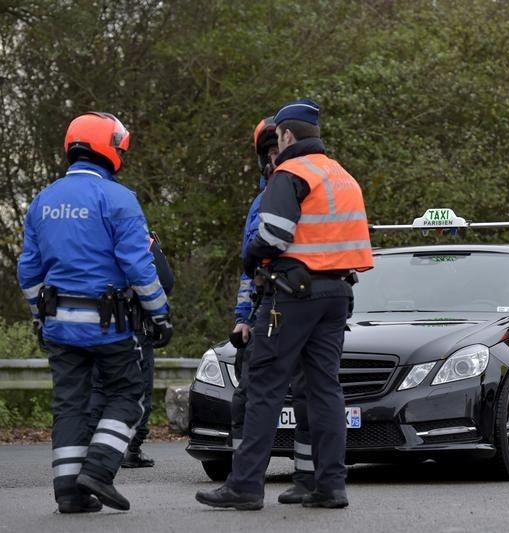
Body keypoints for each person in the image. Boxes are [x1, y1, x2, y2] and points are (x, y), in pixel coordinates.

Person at [196, 98, 373, 511]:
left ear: (288, 136)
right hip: (338, 294)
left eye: (278, 137)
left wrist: (250, 256)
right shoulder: (341, 175)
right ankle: (329, 486)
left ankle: (245, 486)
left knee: (264, 387)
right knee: (326, 389)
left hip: (293, 295)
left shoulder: (289, 173)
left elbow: (272, 236)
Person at [17, 112, 172, 513]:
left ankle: (69, 493)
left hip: (59, 326)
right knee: (129, 395)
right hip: (110, 326)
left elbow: (29, 270)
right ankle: (100, 470)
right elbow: (140, 268)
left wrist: (39, 315)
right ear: (111, 149)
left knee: (70, 404)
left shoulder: (43, 199)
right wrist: (160, 314)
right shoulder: (119, 199)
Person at [228, 116, 315, 503]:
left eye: (278, 148)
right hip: (267, 306)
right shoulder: (258, 201)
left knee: (306, 393)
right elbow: (249, 267)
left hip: (298, 301)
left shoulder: (306, 189)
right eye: (270, 151)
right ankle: (241, 477)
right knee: (249, 395)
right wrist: (242, 318)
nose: (275, 157)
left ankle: (307, 477)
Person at [89, 231, 175, 469]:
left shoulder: (91, 238)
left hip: (96, 326)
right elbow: (165, 282)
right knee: (138, 390)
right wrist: (160, 317)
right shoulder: (142, 239)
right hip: (134, 327)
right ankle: (131, 448)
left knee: (99, 388)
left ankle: (92, 447)